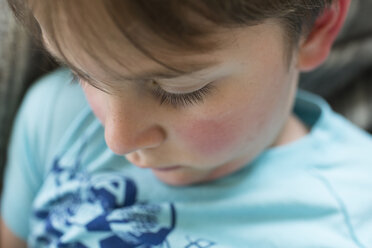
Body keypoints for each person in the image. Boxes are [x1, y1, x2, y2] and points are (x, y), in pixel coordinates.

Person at [1, 0, 372, 247]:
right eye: (82, 74)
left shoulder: (352, 215)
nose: (119, 139)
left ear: (315, 28)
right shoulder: (56, 115)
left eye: (179, 91)